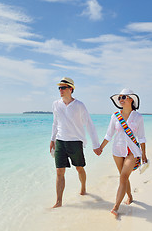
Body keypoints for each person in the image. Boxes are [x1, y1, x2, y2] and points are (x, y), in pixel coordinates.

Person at [50, 77, 101, 208]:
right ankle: (58, 202)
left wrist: (96, 145)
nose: (60, 90)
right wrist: (52, 139)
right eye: (59, 88)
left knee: (79, 168)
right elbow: (55, 123)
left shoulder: (79, 105)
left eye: (63, 87)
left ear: (71, 89)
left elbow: (89, 124)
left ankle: (83, 187)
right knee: (59, 171)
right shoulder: (56, 104)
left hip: (76, 141)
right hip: (60, 141)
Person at [99, 88, 147, 217]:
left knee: (123, 177)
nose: (120, 100)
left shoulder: (138, 117)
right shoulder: (115, 116)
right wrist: (100, 147)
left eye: (123, 97)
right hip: (117, 150)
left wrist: (144, 154)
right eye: (119, 98)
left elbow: (141, 137)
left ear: (131, 99)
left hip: (132, 152)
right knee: (123, 177)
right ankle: (130, 196)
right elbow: (109, 135)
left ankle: (115, 207)